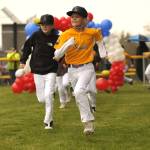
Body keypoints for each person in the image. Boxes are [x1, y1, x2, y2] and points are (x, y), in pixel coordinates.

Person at [53, 6, 107, 135]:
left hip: (87, 68)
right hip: (72, 70)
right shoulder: (66, 34)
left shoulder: (92, 32)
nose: (73, 18)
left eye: (77, 16)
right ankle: (89, 119)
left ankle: (88, 124)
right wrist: (67, 45)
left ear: (84, 19)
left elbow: (100, 42)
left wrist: (103, 52)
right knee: (78, 96)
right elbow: (57, 55)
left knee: (78, 91)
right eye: (72, 16)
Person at [20, 14, 59, 129]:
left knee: (48, 96)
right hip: (37, 70)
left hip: (51, 69)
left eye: (47, 25)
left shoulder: (57, 37)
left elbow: (61, 52)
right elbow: (27, 47)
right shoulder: (36, 35)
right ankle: (52, 93)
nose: (44, 27)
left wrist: (63, 59)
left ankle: (48, 121)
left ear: (52, 25)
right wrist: (23, 60)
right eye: (42, 25)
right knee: (42, 99)